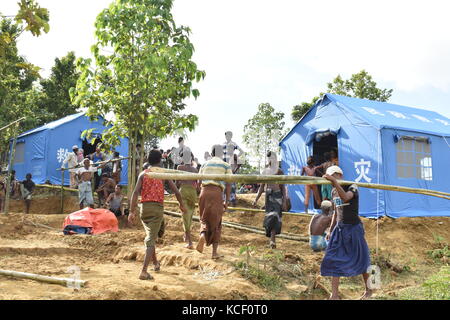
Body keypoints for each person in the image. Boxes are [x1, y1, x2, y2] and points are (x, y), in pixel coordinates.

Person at [128, 149, 187, 280]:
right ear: (160, 160)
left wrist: (132, 211)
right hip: (157, 208)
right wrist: (181, 205)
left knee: (152, 234)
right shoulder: (163, 174)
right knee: (150, 239)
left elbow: (135, 193)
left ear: (148, 160)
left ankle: (155, 263)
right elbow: (176, 192)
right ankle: (143, 271)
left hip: (144, 208)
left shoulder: (143, 174)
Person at [321, 165, 372, 300]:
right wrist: (330, 230)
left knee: (362, 259)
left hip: (354, 228)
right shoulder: (333, 191)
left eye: (333, 176)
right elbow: (336, 212)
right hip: (340, 228)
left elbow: (345, 198)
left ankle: (369, 290)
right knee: (333, 258)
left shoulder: (352, 186)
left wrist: (334, 182)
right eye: (330, 177)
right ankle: (335, 295)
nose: (331, 179)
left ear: (339, 175)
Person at [196, 145, 232, 259]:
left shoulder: (204, 164)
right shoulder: (226, 165)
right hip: (216, 193)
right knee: (217, 222)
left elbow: (198, 182)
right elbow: (229, 183)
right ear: (222, 154)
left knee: (204, 218)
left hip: (204, 191)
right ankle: (214, 253)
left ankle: (202, 235)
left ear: (211, 154)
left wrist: (201, 193)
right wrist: (226, 200)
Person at [252, 151, 288, 249]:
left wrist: (284, 201)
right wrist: (256, 199)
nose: (270, 160)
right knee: (269, 217)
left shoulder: (279, 171)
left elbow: (283, 187)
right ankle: (271, 239)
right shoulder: (265, 171)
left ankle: (272, 240)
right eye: (269, 158)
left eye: (272, 158)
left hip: (277, 195)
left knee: (275, 217)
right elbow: (262, 187)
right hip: (268, 195)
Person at [177, 150, 199, 249]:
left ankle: (190, 242)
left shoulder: (180, 167)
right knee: (189, 216)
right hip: (193, 192)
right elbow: (197, 185)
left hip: (184, 191)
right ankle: (187, 236)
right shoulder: (195, 170)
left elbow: (177, 182)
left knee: (185, 216)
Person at [222, 131, 245, 206]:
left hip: (231, 167)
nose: (227, 136)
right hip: (223, 166)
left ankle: (232, 201)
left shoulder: (233, 144)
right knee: (223, 184)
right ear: (225, 136)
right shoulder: (223, 144)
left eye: (229, 135)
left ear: (231, 136)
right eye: (226, 135)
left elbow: (241, 151)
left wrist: (236, 157)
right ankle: (224, 201)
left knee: (232, 185)